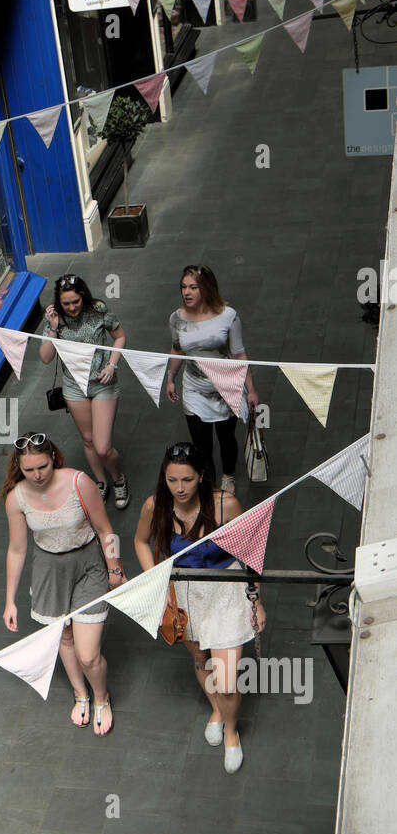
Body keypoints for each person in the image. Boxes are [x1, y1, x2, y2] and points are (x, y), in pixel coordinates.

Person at [133, 442, 265, 773]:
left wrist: (256, 600)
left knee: (229, 678)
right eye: (172, 479)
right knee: (200, 659)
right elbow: (139, 542)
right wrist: (157, 583)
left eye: (187, 480)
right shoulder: (155, 505)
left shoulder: (226, 504)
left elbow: (250, 552)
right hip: (185, 592)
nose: (179, 488)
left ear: (202, 477)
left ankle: (232, 731)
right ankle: (217, 711)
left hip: (226, 590)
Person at [1, 432, 125, 734]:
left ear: (53, 458)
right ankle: (80, 694)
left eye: (42, 466)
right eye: (29, 470)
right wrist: (10, 600)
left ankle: (101, 697)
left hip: (87, 564)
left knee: (88, 654)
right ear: (19, 466)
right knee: (65, 638)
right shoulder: (16, 498)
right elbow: (17, 549)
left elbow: (105, 527)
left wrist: (114, 568)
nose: (37, 475)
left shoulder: (78, 482)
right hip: (47, 569)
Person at [165, 264, 258, 495]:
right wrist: (170, 377)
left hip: (225, 386)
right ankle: (210, 485)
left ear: (206, 288)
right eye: (184, 287)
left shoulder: (228, 316)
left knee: (226, 437)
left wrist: (251, 389)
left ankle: (228, 476)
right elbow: (177, 349)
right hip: (194, 389)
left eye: (193, 287)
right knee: (201, 444)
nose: (187, 292)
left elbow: (238, 354)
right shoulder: (176, 319)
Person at [39, 274, 130, 509]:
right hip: (73, 386)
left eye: (75, 302)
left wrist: (112, 364)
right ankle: (101, 482)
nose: (71, 308)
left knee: (102, 446)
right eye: (66, 303)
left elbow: (119, 336)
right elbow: (46, 358)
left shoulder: (99, 309)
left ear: (83, 296)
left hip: (103, 382)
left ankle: (118, 478)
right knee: (88, 441)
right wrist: (53, 328)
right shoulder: (54, 318)